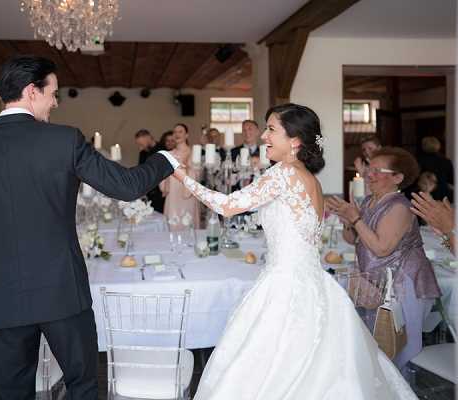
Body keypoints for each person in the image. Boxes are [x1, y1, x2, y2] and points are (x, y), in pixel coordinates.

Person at [0, 55, 176, 400]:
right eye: (53, 93)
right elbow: (126, 186)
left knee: (9, 392)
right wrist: (165, 159)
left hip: (2, 296)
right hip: (62, 290)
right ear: (31, 91)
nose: (55, 102)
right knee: (81, 385)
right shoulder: (64, 140)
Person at [171, 104, 417, 399]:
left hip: (285, 289)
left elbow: (227, 206)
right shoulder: (309, 179)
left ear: (295, 141)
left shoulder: (285, 173)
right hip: (314, 285)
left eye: (271, 129)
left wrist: (181, 176)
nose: (264, 136)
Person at [327, 147, 441, 375]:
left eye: (378, 170)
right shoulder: (369, 200)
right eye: (370, 168)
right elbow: (353, 239)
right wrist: (347, 220)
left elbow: (381, 248)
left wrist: (355, 218)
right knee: (376, 347)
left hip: (404, 286)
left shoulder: (400, 206)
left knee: (395, 348)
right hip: (378, 283)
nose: (370, 174)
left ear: (397, 178)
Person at [160, 123, 199, 229]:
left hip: (187, 195)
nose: (177, 134)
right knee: (173, 224)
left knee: (187, 223)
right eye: (175, 132)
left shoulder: (194, 153)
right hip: (172, 195)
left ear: (186, 135)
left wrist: (187, 167)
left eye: (180, 131)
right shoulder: (169, 154)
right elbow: (162, 179)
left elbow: (198, 175)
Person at [135, 129, 165, 213]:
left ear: (148, 137)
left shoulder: (162, 149)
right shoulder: (143, 152)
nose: (140, 147)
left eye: (141, 144)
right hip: (149, 191)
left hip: (160, 191)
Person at [417, 136, 454, 202]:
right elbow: (451, 179)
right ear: (438, 146)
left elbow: (416, 179)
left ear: (423, 146)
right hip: (444, 193)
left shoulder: (419, 160)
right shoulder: (446, 160)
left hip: (426, 193)